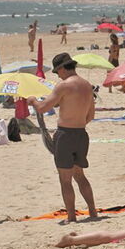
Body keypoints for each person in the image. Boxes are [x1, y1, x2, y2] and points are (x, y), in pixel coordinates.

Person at [28, 53, 97, 223]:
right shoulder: (87, 85)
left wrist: (32, 101)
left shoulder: (63, 86)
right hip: (81, 134)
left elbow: (43, 108)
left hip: (66, 134)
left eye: (57, 72)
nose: (57, 75)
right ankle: (93, 212)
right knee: (80, 175)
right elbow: (91, 115)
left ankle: (71, 217)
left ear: (61, 68)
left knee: (65, 179)